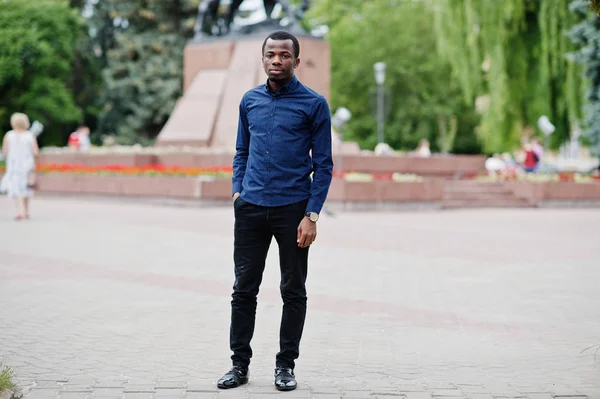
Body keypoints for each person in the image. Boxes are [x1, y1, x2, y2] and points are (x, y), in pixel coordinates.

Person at [217, 30, 333, 392]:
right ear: (263, 58)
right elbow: (242, 152)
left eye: (284, 55)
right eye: (271, 55)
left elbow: (325, 165)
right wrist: (238, 193)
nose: (277, 60)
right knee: (243, 290)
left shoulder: (314, 104)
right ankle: (239, 364)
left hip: (293, 211)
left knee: (293, 290)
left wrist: (311, 215)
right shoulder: (249, 100)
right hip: (250, 209)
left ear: (296, 61)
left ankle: (286, 366)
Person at [0, 113, 39, 220]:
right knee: (27, 187)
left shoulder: (9, 135)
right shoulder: (30, 135)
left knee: (17, 188)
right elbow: (35, 152)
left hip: (14, 165)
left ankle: (19, 211)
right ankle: (26, 211)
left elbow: (4, 152)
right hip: (27, 165)